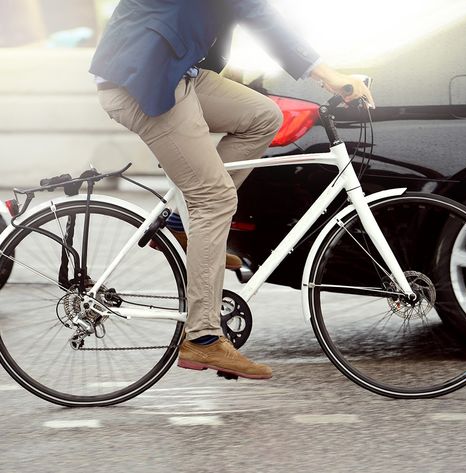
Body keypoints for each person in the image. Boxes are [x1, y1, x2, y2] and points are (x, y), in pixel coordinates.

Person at [90, 0, 374, 380]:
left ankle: (181, 223)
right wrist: (328, 74)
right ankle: (203, 337)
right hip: (144, 78)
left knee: (263, 116)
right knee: (214, 197)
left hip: (176, 71)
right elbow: (257, 12)